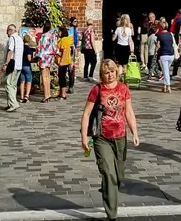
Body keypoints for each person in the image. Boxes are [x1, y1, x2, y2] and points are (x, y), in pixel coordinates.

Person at [80, 59, 139, 221]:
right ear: (102, 75)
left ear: (117, 72)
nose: (110, 75)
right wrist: (84, 137)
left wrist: (135, 132)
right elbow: (86, 114)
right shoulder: (97, 90)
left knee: (118, 176)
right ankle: (112, 213)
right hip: (102, 137)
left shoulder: (123, 89)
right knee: (108, 173)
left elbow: (129, 112)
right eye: (106, 72)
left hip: (120, 137)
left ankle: (107, 185)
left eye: (112, 71)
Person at [37, 22, 58, 103]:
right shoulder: (52, 36)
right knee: (48, 76)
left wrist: (37, 56)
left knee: (44, 76)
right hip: (50, 57)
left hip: (43, 57)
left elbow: (40, 48)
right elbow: (55, 47)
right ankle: (48, 93)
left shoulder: (43, 36)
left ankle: (46, 95)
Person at [156, 20, 176, 92]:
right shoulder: (171, 34)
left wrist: (156, 52)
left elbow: (158, 46)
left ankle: (168, 87)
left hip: (163, 54)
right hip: (171, 54)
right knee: (166, 70)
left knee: (166, 71)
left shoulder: (160, 35)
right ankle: (164, 86)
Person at [112, 14, 134, 78]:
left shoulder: (118, 29)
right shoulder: (129, 30)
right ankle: (125, 79)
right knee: (125, 65)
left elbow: (113, 39)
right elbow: (130, 41)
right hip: (126, 48)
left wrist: (113, 34)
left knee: (119, 65)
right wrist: (132, 50)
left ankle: (119, 79)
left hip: (119, 47)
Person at [57, 25, 75, 99]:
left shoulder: (64, 40)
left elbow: (64, 51)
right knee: (61, 76)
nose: (58, 33)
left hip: (63, 61)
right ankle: (61, 93)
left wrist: (61, 61)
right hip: (65, 61)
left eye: (59, 31)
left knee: (62, 77)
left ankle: (63, 94)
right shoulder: (64, 40)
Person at [20, 30, 36, 103]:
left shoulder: (21, 48)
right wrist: (34, 59)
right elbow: (29, 59)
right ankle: (26, 96)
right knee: (29, 81)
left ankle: (21, 96)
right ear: (29, 41)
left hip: (21, 65)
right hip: (27, 65)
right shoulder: (28, 49)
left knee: (22, 81)